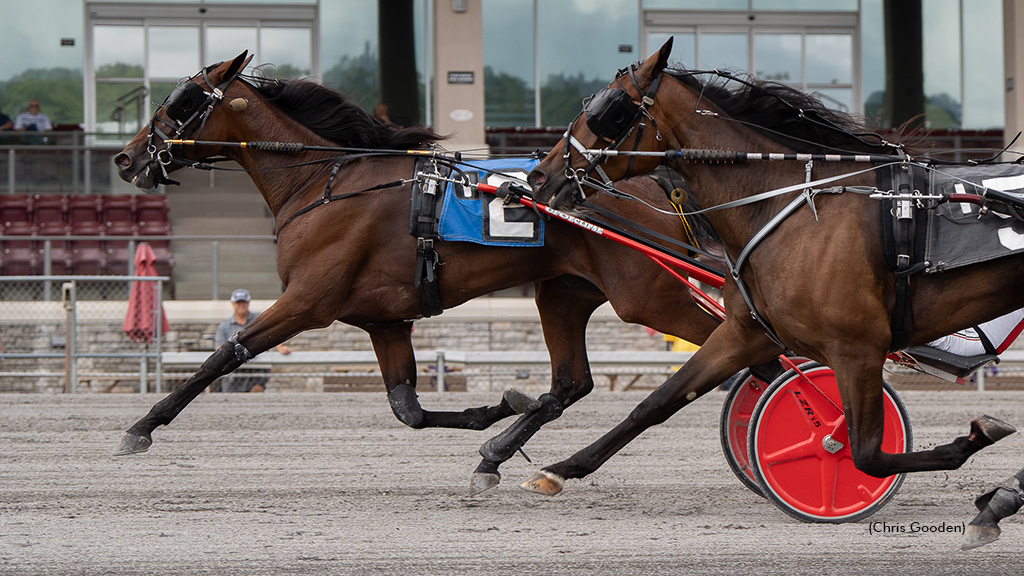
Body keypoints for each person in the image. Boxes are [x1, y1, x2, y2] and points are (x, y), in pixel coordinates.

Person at [213, 288, 291, 392]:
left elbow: (270, 333)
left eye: (244, 302)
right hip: (233, 371)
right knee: (231, 399)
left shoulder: (258, 319)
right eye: (238, 302)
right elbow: (219, 348)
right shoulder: (224, 326)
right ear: (232, 304)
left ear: (248, 303)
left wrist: (280, 347)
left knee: (256, 392)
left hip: (256, 367)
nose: (241, 305)